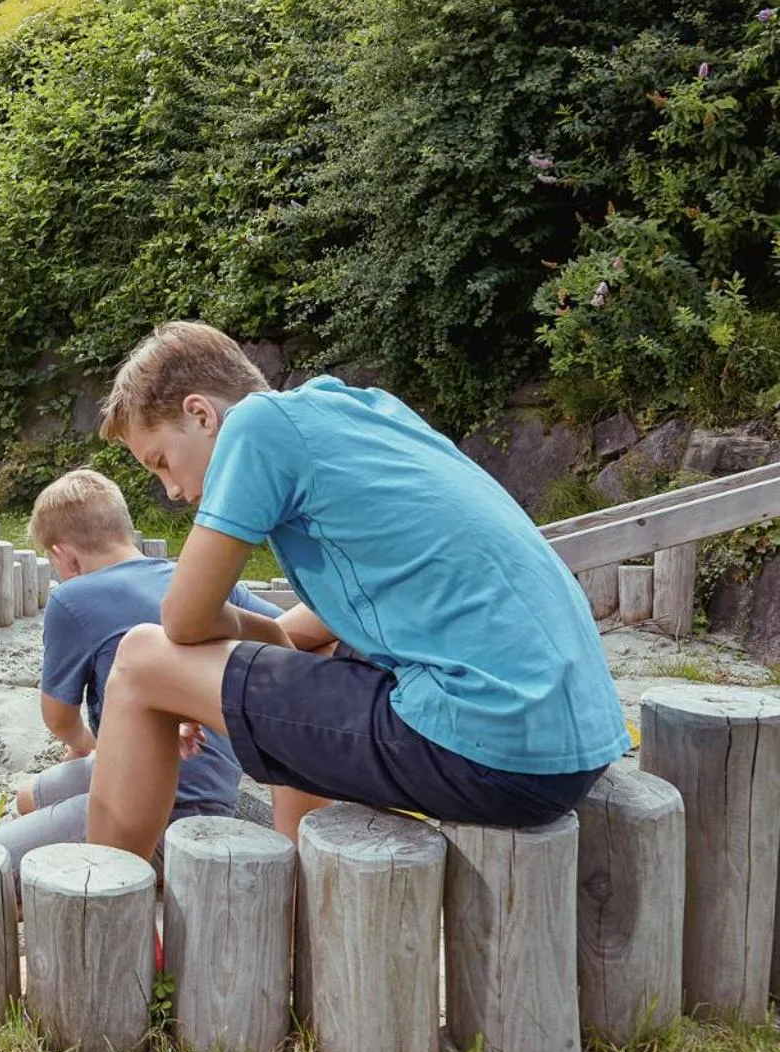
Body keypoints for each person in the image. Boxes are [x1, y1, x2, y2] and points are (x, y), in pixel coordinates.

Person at [86, 321, 631, 862]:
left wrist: (220, 655)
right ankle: (299, 881)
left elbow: (181, 620)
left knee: (140, 661)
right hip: (572, 739)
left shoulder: (255, 427)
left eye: (161, 462)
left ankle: (103, 909)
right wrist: (233, 663)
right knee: (313, 651)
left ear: (200, 414)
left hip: (494, 749)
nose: (174, 491)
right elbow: (339, 614)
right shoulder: (360, 410)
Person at [0, 468, 278, 887]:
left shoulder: (72, 597)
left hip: (177, 812)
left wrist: (85, 745)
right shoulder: (199, 583)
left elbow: (58, 717)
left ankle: (136, 871)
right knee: (26, 797)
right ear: (127, 530)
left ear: (65, 555)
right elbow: (290, 632)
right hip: (209, 781)